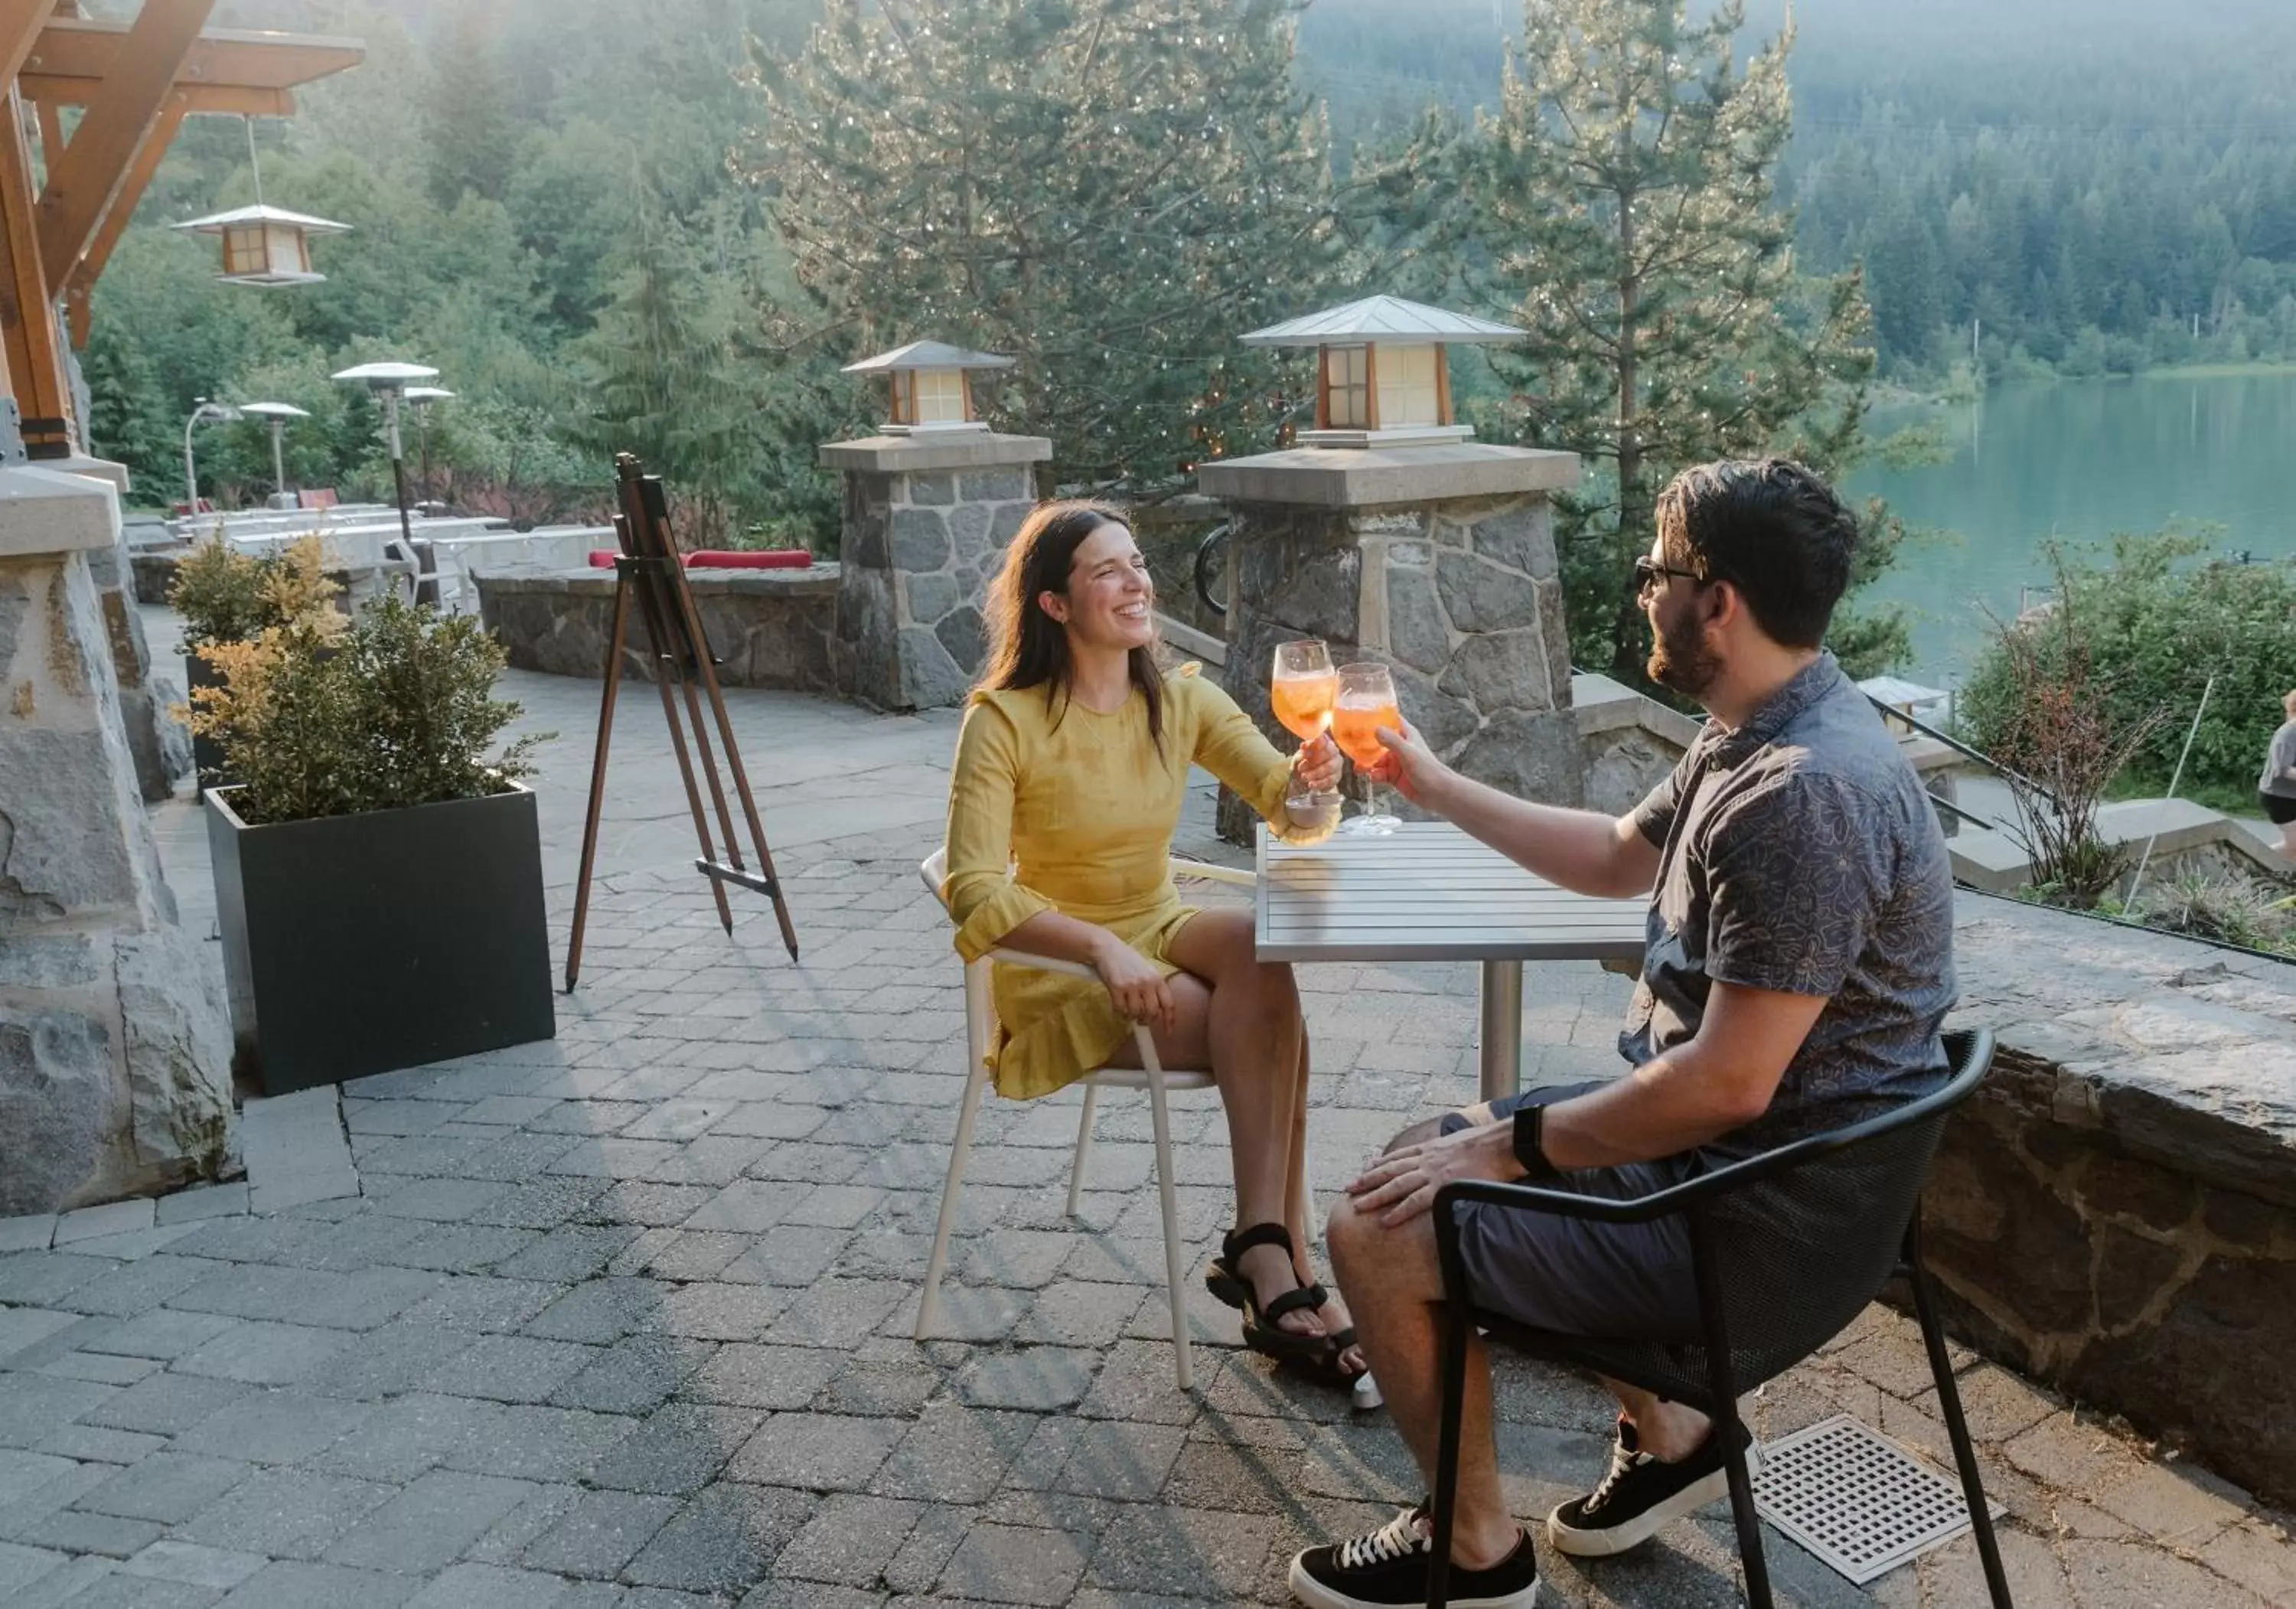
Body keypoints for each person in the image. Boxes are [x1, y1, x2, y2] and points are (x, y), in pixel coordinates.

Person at [1287, 459, 1957, 1609]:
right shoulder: (1755, 729)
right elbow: (1612, 855)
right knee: (1421, 1153)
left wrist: (1504, 1148)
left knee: (1377, 1227)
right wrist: (1433, 784)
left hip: (1748, 1227)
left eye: (1659, 571)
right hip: (1744, 1181)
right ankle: (1679, 1429)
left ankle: (1474, 1548)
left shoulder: (1803, 793)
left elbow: (1731, 1083)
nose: (1644, 590)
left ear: (1721, 600)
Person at [942, 499, 1364, 1384]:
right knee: (1265, 1018)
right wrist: (1099, 948)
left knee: (1260, 952)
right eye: (1106, 570)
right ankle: (1284, 1264)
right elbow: (974, 884)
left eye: (1136, 563)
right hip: (1060, 963)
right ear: (1054, 604)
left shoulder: (1182, 700)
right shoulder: (1002, 720)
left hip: (1158, 922)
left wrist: (1313, 782)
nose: (1136, 582)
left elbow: (1285, 808)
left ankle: (1262, 1249)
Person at [2257, 690, 2296, 858]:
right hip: (2278, 797)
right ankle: (2254, 861)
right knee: (2293, 845)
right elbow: (2281, 769)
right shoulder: (2286, 735)